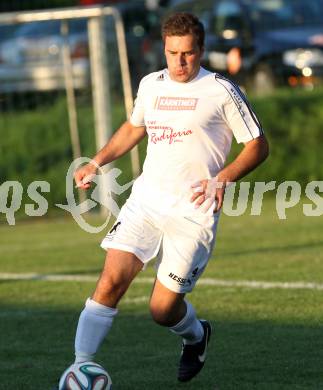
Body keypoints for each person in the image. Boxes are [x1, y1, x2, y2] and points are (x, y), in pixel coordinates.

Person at [71, 12, 269, 383]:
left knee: (162, 310)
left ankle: (196, 336)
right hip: (146, 201)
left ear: (202, 50)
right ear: (164, 48)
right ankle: (80, 364)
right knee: (111, 281)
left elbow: (258, 146)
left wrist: (222, 178)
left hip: (193, 211)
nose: (180, 62)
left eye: (188, 53)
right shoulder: (151, 85)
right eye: (172, 52)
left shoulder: (221, 90)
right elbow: (134, 128)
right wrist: (97, 162)